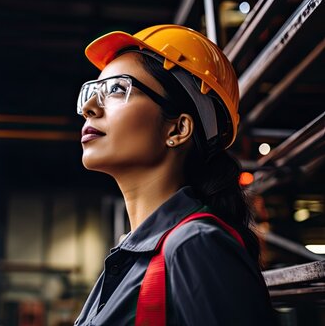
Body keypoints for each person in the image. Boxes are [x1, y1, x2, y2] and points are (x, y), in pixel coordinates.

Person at [74, 25, 277, 325]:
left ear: (178, 129)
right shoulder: (132, 257)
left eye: (117, 89)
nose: (89, 108)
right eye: (93, 93)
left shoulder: (195, 245)